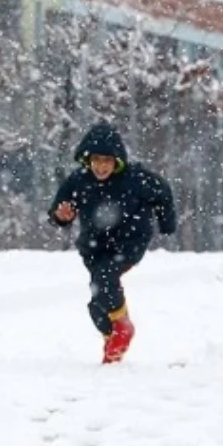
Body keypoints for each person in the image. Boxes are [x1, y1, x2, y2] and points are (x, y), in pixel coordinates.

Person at [48, 120, 177, 363]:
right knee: (97, 302)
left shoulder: (135, 178)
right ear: (88, 160)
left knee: (106, 279)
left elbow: (163, 192)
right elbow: (59, 209)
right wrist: (60, 215)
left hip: (129, 243)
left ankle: (123, 328)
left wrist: (166, 222)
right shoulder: (79, 181)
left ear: (117, 161)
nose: (101, 167)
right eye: (96, 160)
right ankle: (112, 337)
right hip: (94, 246)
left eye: (107, 161)